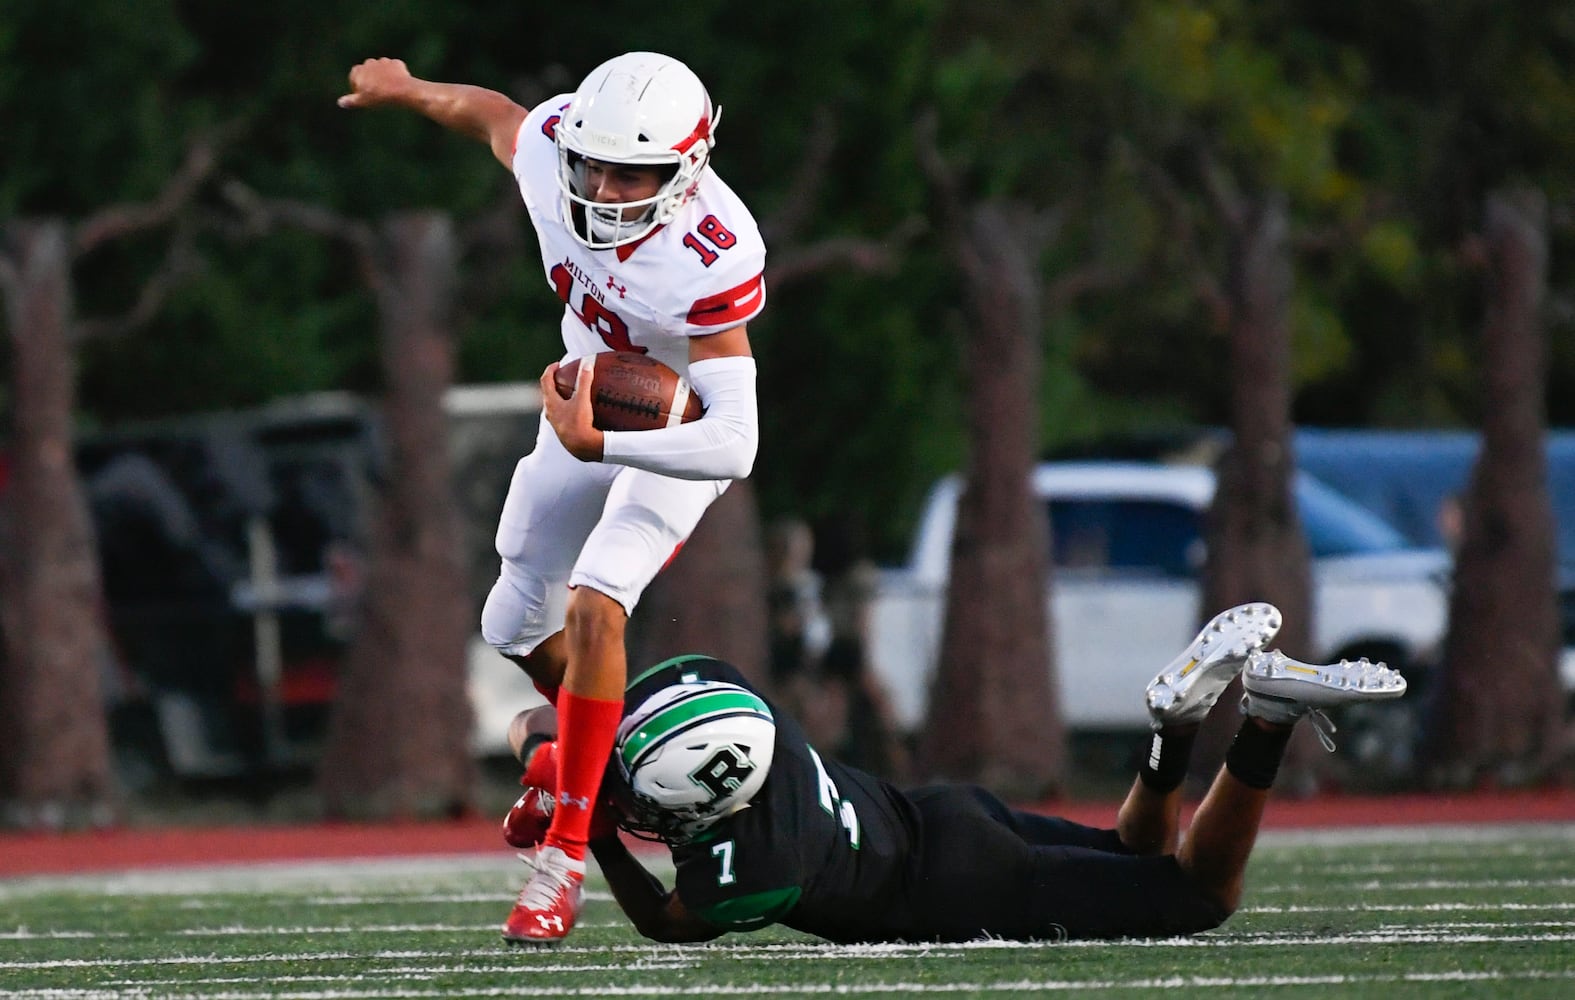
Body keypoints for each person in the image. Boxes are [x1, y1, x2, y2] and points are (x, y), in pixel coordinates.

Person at [339, 51, 766, 943]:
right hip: (586, 397)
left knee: (598, 597)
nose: (604, 188)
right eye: (594, 164)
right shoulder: (554, 151)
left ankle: (565, 856)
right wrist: (410, 90)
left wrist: (602, 439)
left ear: (685, 168)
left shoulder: (709, 251)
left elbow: (737, 441)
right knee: (510, 622)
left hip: (669, 433)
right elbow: (495, 113)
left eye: (631, 171)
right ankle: (599, 767)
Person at [502, 602, 1406, 943]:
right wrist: (555, 765)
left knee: (1198, 895)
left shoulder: (757, 871)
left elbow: (664, 923)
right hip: (938, 812)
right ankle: (1171, 730)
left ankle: (1265, 720)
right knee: (1132, 852)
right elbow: (541, 718)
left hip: (960, 886)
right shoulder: (726, 694)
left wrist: (587, 830)